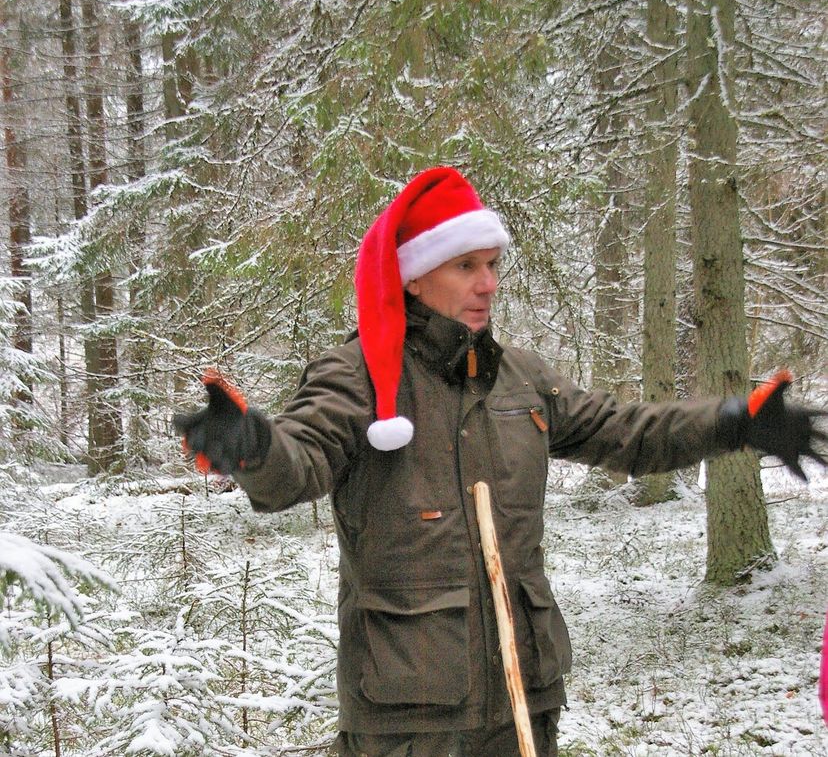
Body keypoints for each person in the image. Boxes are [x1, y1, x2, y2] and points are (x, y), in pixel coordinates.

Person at [174, 167, 825, 757]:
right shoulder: (359, 378)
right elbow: (302, 460)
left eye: (491, 263)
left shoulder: (519, 378)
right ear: (414, 274)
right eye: (464, 265)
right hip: (410, 723)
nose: (487, 282)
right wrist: (255, 446)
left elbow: (626, 431)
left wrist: (736, 420)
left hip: (524, 703)